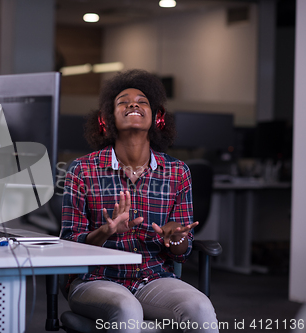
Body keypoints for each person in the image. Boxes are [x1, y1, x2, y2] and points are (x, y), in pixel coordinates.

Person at [60, 69, 219, 333]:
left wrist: (176, 238)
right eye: (123, 101)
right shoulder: (82, 170)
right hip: (96, 279)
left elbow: (182, 250)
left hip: (154, 278)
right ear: (106, 120)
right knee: (127, 310)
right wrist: (104, 232)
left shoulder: (178, 172)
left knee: (199, 308)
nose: (133, 104)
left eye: (142, 101)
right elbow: (67, 245)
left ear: (157, 119)